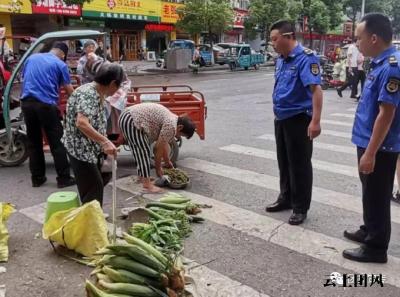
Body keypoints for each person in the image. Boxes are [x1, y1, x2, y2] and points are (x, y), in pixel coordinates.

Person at [343, 13, 400, 263]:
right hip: (369, 140)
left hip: (380, 146)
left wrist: (370, 153)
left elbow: (386, 116)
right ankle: (369, 229)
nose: (357, 43)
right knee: (370, 192)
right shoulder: (378, 62)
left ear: (374, 38)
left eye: (359, 38)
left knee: (377, 194)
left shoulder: (391, 67)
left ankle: (376, 248)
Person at [265, 20, 323, 225]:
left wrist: (315, 121)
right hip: (281, 117)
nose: (272, 43)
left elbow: (316, 90)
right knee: (284, 161)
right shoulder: (281, 59)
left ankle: (300, 207)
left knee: (299, 165)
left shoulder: (306, 58)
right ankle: (286, 197)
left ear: (288, 37)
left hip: (299, 118)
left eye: (275, 39)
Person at [62, 63, 123, 206]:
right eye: (119, 86)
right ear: (113, 83)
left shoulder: (96, 91)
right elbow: (81, 123)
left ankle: (91, 216)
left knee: (102, 178)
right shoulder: (89, 94)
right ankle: (91, 222)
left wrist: (104, 142)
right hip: (81, 151)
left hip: (90, 148)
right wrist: (105, 142)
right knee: (93, 191)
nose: (118, 90)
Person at [20, 42, 75, 188]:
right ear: (63, 54)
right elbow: (69, 90)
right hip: (45, 105)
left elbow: (24, 79)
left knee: (34, 142)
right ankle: (63, 179)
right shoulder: (60, 64)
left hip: (26, 104)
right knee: (57, 143)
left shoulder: (31, 58)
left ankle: (37, 178)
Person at [118, 103, 196, 193]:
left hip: (130, 117)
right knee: (143, 151)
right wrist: (158, 168)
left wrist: (167, 161)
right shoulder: (171, 125)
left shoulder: (173, 120)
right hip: (131, 119)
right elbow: (157, 149)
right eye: (181, 135)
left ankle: (142, 177)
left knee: (141, 150)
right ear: (180, 127)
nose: (178, 137)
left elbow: (163, 145)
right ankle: (147, 185)